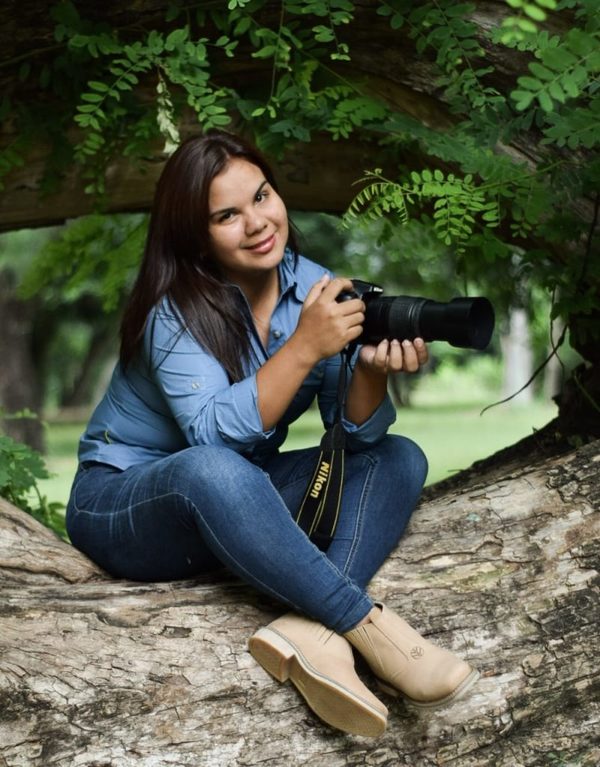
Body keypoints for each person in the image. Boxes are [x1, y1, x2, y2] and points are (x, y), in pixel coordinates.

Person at [66, 130, 479, 738]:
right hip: (125, 502)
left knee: (399, 457)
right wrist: (308, 345)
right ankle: (364, 626)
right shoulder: (172, 309)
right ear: (194, 234)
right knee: (213, 468)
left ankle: (307, 633)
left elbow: (356, 444)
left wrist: (366, 372)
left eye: (262, 196)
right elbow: (211, 437)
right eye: (227, 215)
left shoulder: (315, 287)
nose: (258, 222)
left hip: (238, 504)